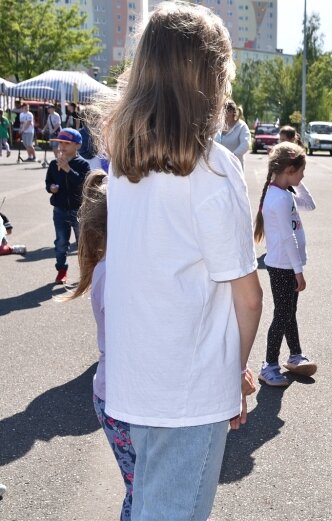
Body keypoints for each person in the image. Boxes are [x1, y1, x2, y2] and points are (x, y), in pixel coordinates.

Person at [100, 4, 263, 520]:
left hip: (132, 381)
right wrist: (234, 372)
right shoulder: (214, 169)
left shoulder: (123, 159)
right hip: (187, 389)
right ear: (211, 77)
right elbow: (247, 294)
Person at [60, 171, 138, 521]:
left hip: (120, 396)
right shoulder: (117, 272)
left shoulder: (117, 267)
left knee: (146, 489)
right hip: (121, 400)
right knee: (145, 492)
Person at [254, 142, 317, 387]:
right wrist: (298, 271)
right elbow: (287, 238)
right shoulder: (278, 199)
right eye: (301, 170)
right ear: (289, 169)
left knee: (288, 312)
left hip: (288, 265)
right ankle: (269, 365)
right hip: (283, 265)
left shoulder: (284, 193)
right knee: (282, 315)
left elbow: (310, 205)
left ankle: (295, 355)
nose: (303, 176)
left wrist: (297, 181)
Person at [45, 128, 90, 284]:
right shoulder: (53, 164)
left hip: (79, 210)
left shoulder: (83, 164)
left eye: (66, 143)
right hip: (60, 210)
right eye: (60, 143)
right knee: (61, 242)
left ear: (77, 145)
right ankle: (61, 270)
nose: (62, 146)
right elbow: (48, 183)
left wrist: (68, 170)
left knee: (82, 244)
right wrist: (51, 188)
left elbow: (83, 185)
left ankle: (86, 273)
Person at [215, 99, 251, 168]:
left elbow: (245, 144)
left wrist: (232, 157)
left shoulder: (241, 126)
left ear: (232, 112)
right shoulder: (218, 125)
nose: (223, 113)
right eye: (221, 111)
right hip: (219, 165)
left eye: (225, 111)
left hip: (234, 165)